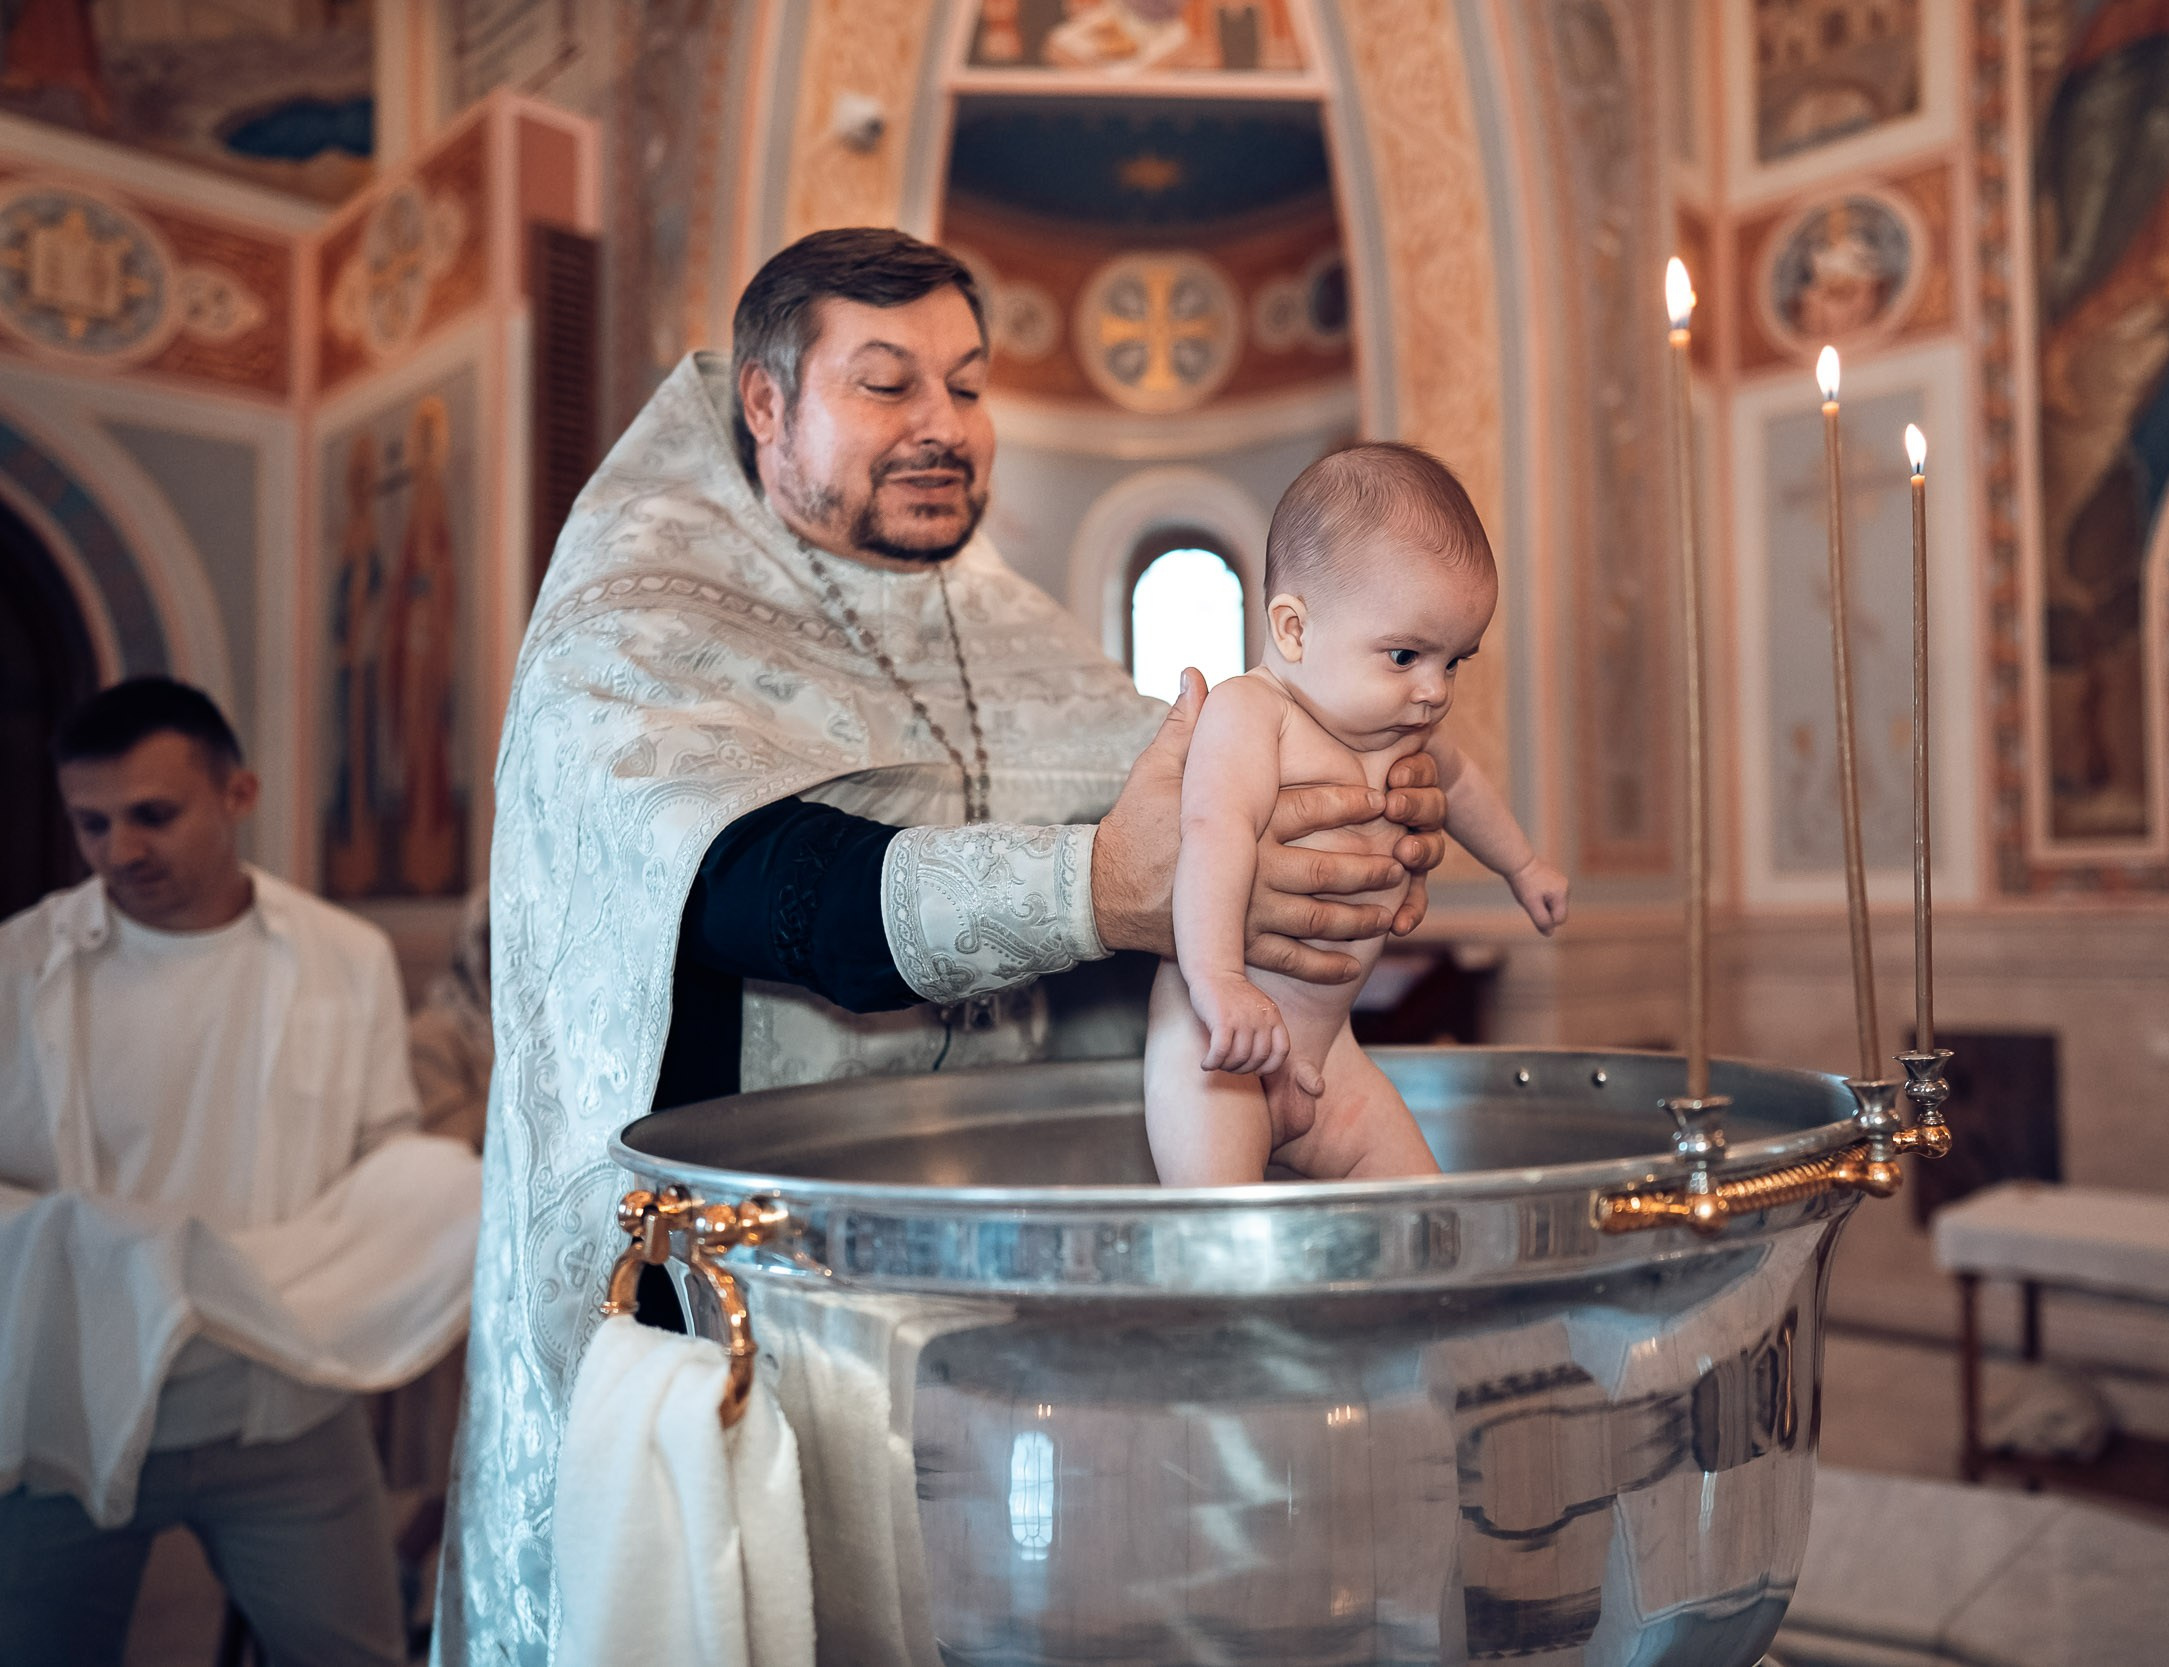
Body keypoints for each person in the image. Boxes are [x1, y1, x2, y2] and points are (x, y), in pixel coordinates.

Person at [437, 227, 1451, 1664]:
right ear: (768, 405)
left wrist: (1347, 832)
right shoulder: (639, 598)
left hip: (1015, 1305)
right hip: (756, 1301)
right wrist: (1095, 887)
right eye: (887, 382)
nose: (943, 426)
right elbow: (751, 884)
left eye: (968, 386)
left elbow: (1200, 834)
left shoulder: (1007, 618)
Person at [0, 678, 448, 1666]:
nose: (121, 849)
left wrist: (447, 1202)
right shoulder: (16, 966)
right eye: (93, 823)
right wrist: (107, 1246)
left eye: (153, 814)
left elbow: (383, 1153)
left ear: (237, 793)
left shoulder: (347, 955)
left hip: (283, 1402)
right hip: (71, 1410)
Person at [1148, 444, 1568, 1186]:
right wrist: (1217, 982)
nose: (1435, 689)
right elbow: (1213, 835)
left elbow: (1461, 787)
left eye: (1454, 661)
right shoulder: (1252, 713)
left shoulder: (1403, 733)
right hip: (1218, 1046)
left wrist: (1522, 864)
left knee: (1422, 1213)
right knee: (1223, 1242)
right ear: (1294, 630)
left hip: (1328, 1055)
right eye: (1405, 655)